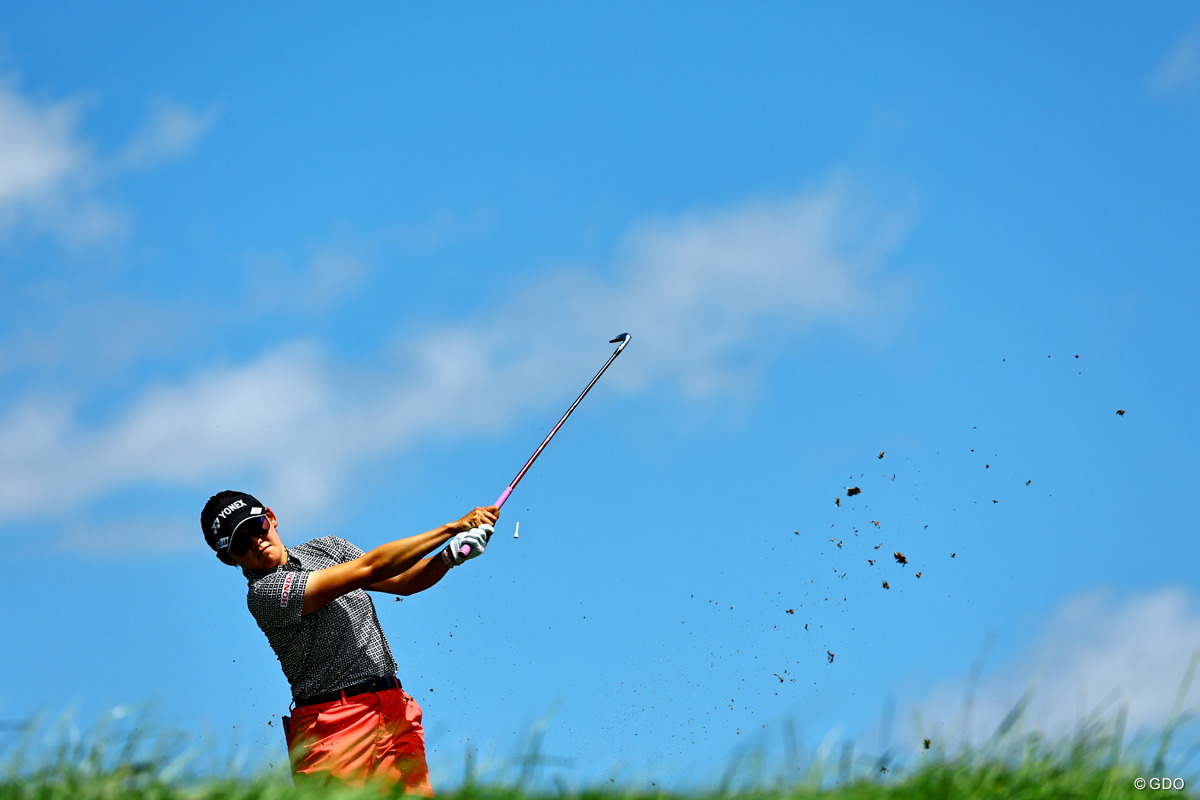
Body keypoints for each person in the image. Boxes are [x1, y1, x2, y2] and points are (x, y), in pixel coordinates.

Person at [201, 490, 499, 794]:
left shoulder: (327, 548)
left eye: (256, 528)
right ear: (228, 558)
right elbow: (372, 567)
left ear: (271, 517)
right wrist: (454, 527)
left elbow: (404, 581)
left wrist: (449, 555)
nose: (256, 543)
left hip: (393, 709)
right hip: (331, 727)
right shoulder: (265, 593)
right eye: (240, 544)